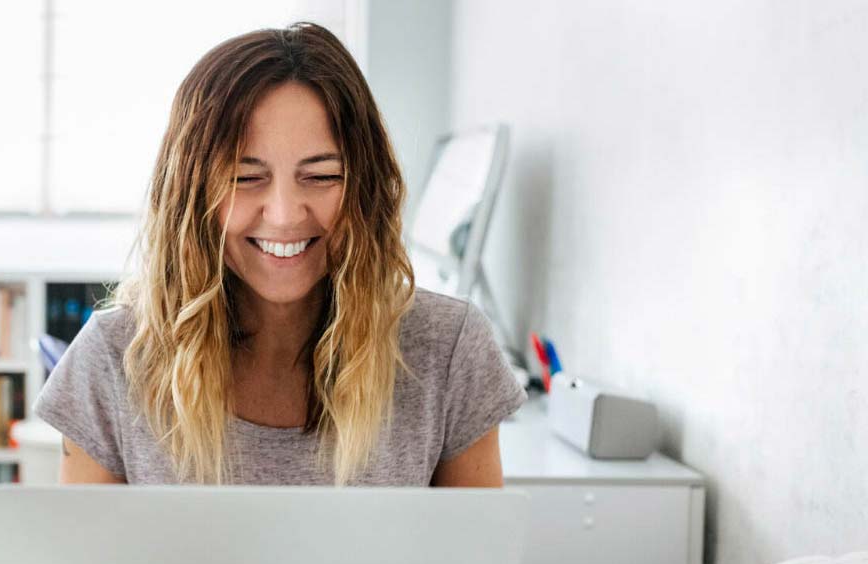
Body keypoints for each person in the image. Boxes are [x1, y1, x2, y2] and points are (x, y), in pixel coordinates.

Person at [33, 22, 526, 487]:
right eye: (245, 178)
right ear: (189, 195)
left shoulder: (450, 349)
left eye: (322, 175)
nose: (286, 215)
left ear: (365, 189)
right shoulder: (113, 357)